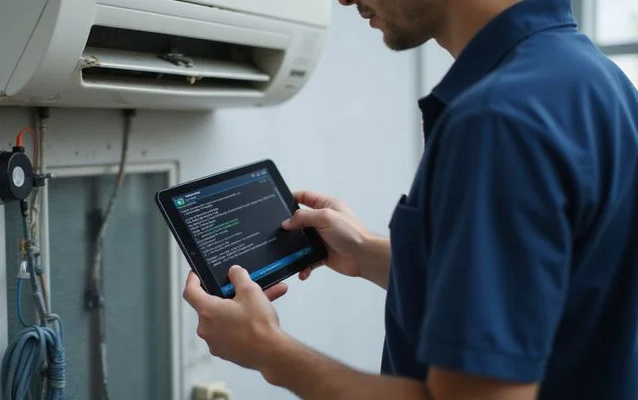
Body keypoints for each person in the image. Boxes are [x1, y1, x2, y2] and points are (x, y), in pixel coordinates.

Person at [182, 0, 638, 398]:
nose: (343, 0)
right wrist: (366, 254)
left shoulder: (497, 121)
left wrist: (266, 349)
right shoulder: (596, 79)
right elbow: (551, 290)